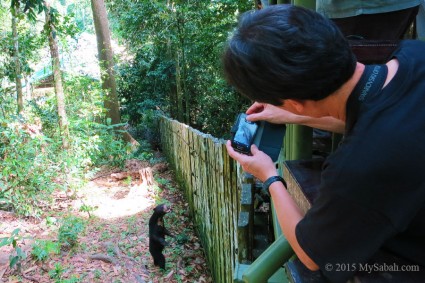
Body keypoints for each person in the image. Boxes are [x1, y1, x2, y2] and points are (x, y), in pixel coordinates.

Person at [223, 4, 425, 283]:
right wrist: (293, 114)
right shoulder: (414, 53)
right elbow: (377, 118)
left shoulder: (356, 170)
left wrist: (270, 176)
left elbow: (311, 254)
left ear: (295, 101)